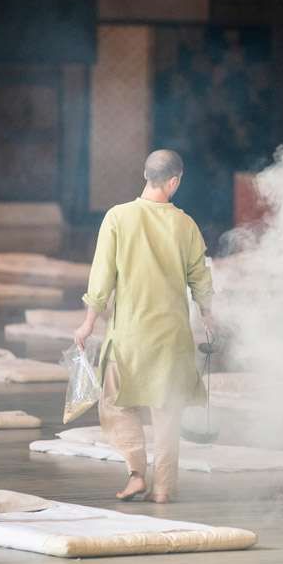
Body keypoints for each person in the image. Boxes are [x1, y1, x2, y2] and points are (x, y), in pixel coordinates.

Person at [74, 149, 214, 503]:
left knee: (116, 403)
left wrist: (89, 321)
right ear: (174, 181)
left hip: (130, 336)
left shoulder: (118, 217)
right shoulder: (185, 224)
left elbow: (102, 274)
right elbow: (200, 278)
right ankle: (164, 489)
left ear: (145, 175)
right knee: (168, 415)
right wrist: (209, 318)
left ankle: (137, 472)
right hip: (172, 337)